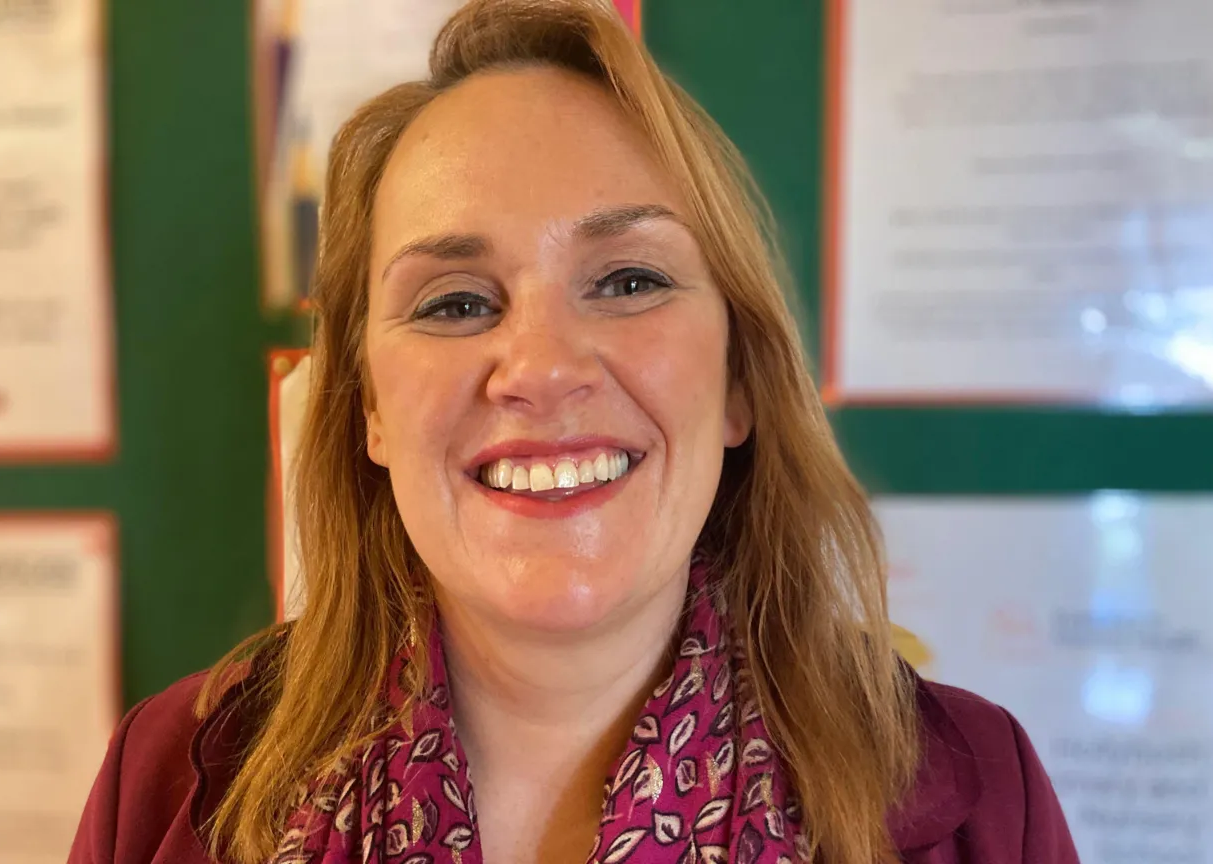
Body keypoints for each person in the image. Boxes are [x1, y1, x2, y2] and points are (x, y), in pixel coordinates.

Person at [68, 1, 1080, 862]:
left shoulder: (986, 800)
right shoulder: (166, 784)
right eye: (455, 303)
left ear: (739, 380)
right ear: (370, 408)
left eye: (630, 280)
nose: (543, 369)